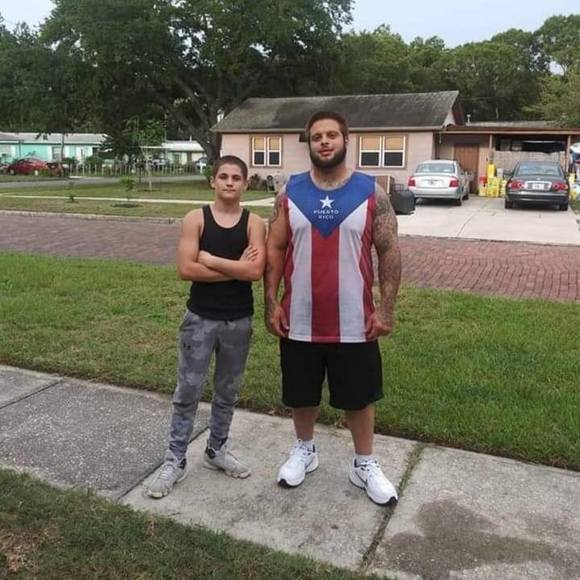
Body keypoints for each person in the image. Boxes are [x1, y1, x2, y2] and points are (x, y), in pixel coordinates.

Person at [265, 111, 402, 506]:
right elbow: (274, 248)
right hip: (299, 316)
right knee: (301, 392)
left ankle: (364, 463)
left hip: (355, 320)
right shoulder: (289, 193)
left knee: (360, 396)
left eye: (331, 135)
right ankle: (304, 450)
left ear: (346, 139)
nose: (324, 142)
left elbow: (389, 252)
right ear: (309, 144)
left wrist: (386, 308)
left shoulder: (372, 193)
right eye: (316, 137)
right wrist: (270, 302)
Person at [148, 155, 266, 499]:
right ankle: (175, 460)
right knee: (187, 390)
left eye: (236, 178)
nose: (229, 182)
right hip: (199, 319)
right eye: (223, 176)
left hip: (238, 320)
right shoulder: (195, 219)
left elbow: (255, 272)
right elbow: (186, 269)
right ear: (212, 181)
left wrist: (211, 260)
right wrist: (235, 268)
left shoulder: (254, 223)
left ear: (245, 184)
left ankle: (216, 450)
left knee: (227, 391)